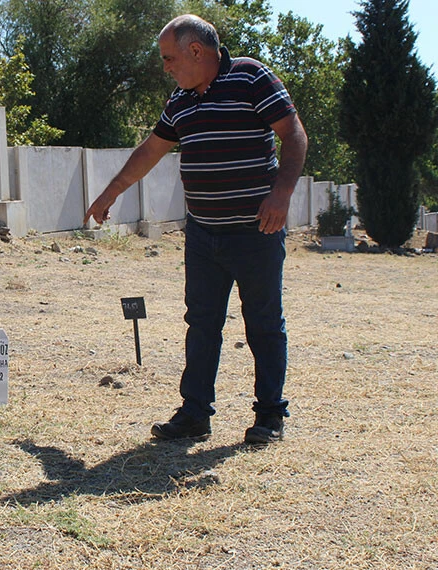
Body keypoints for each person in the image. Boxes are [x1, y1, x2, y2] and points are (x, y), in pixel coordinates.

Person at [84, 14, 308, 444]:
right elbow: (151, 149)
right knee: (201, 323)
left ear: (195, 51)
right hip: (203, 234)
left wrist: (281, 195)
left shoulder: (251, 77)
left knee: (263, 323)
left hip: (255, 231)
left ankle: (269, 417)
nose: (166, 67)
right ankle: (194, 414)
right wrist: (111, 192)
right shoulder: (180, 100)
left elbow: (293, 135)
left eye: (169, 58)